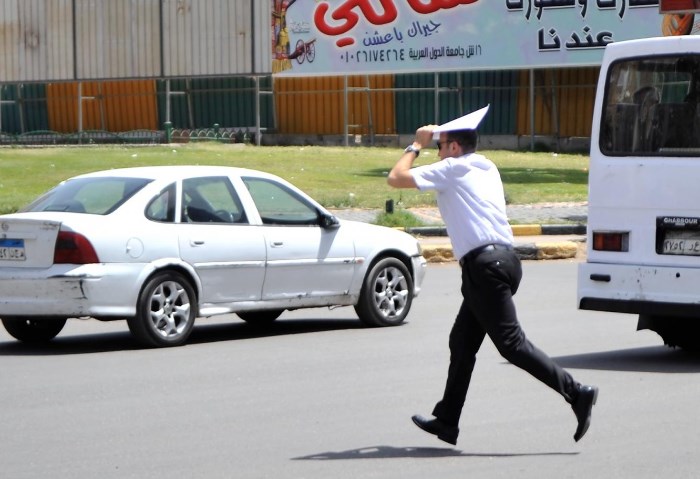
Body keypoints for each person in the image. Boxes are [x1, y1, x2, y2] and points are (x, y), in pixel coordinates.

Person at [387, 105, 598, 446]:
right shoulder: (487, 165)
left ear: (454, 149)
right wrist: (436, 139)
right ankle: (447, 420)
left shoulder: (452, 168)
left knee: (511, 345)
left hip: (485, 268)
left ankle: (577, 393)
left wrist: (416, 145)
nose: (437, 153)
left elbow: (395, 177)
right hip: (502, 263)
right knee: (462, 342)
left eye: (441, 147)